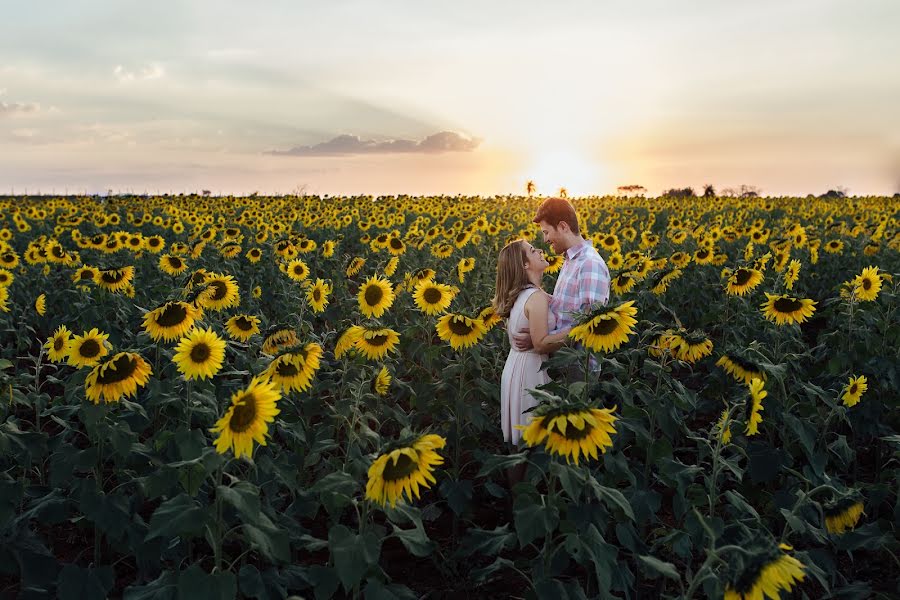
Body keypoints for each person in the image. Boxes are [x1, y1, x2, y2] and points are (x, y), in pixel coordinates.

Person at [493, 239, 569, 451]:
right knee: (529, 442)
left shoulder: (525, 294)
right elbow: (541, 343)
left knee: (520, 445)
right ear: (524, 264)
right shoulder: (535, 297)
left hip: (517, 366)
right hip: (530, 371)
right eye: (533, 250)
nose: (540, 251)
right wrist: (579, 330)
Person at [513, 197, 610, 363]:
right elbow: (564, 316)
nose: (545, 240)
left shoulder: (589, 264)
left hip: (578, 368)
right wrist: (541, 337)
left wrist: (542, 343)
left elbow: (589, 325)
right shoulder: (571, 260)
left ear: (563, 226)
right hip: (562, 362)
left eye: (546, 232)